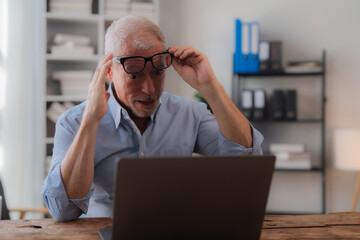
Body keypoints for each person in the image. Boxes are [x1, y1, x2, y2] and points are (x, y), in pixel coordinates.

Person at [41, 15, 264, 222]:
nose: (149, 89)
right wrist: (90, 121)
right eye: (135, 74)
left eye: (158, 72)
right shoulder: (73, 122)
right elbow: (63, 210)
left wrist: (210, 87)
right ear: (109, 72)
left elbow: (247, 161)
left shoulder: (189, 114)